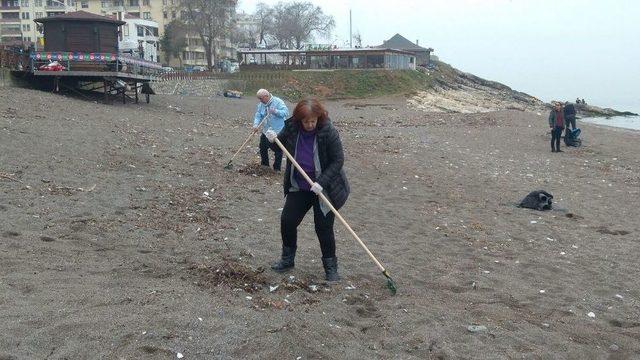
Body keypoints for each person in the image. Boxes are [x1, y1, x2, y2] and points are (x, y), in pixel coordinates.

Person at [264, 98, 350, 282]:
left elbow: (338, 161)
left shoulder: (328, 131)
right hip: (300, 186)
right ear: (299, 119)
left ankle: (331, 269)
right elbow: (278, 146)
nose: (310, 124)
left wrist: (322, 182)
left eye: (313, 121)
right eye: (306, 121)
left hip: (324, 189)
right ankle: (287, 260)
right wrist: (272, 139)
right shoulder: (292, 127)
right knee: (287, 221)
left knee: (323, 228)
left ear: (319, 118)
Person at [253, 89, 289, 171]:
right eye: (259, 99)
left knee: (278, 150)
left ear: (266, 96)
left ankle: (277, 168)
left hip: (278, 130)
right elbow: (258, 115)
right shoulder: (261, 105)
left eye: (261, 98)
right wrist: (255, 125)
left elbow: (286, 112)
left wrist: (275, 111)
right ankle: (265, 165)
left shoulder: (278, 102)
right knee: (262, 147)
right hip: (266, 130)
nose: (260, 100)